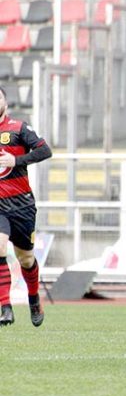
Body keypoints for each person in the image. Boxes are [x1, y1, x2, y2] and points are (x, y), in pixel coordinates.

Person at [0, 85, 52, 327]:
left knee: (26, 259)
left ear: (5, 103)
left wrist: (16, 160)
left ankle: (33, 299)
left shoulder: (19, 128)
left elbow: (44, 150)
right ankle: (5, 307)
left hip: (21, 204)